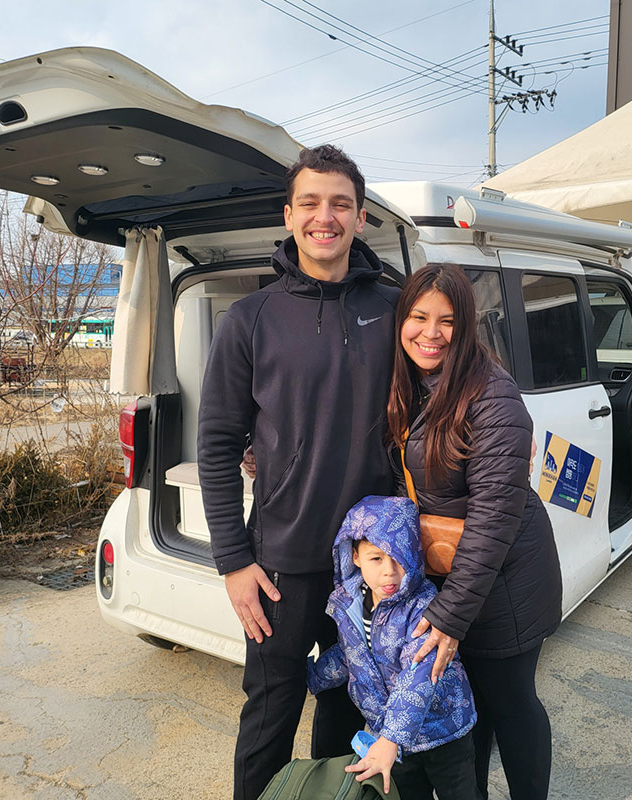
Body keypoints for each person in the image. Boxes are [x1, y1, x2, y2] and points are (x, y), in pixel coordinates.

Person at [197, 145, 400, 800]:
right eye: (310, 203)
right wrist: (234, 561)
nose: (324, 217)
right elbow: (217, 443)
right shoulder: (250, 319)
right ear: (289, 215)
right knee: (269, 716)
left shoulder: (395, 311)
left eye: (340, 204)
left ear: (361, 217)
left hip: (367, 566)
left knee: (350, 711)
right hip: (279, 566)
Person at [388, 263, 563, 799]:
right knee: (472, 707)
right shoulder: (410, 384)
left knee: (510, 704)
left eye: (447, 321)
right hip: (452, 575)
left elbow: (493, 517)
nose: (431, 333)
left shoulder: (491, 394)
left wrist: (450, 615)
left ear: (466, 327)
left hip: (506, 582)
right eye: (419, 317)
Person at [307, 494, 477, 799]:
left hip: (443, 731)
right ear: (354, 556)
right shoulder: (349, 603)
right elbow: (351, 656)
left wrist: (390, 739)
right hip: (391, 740)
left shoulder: (423, 607)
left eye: (400, 559)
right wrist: (308, 678)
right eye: (376, 559)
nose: (389, 571)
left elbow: (420, 673)